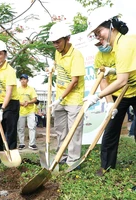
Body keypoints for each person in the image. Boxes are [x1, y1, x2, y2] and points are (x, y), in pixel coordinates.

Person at [84, 8, 136, 176]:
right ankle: (106, 168)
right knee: (111, 129)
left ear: (112, 26)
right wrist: (109, 103)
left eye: (100, 32)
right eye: (96, 35)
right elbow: (121, 74)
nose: (98, 37)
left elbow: (121, 80)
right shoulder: (116, 46)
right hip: (122, 92)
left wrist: (96, 97)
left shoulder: (125, 44)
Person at [47, 22, 85, 166]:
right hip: (60, 99)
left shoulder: (77, 56)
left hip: (74, 99)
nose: (55, 45)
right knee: (60, 129)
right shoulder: (57, 53)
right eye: (53, 42)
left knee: (74, 131)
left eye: (58, 41)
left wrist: (61, 97)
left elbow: (74, 80)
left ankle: (73, 160)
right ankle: (61, 156)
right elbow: (58, 67)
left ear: (67, 39)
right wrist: (52, 67)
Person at [0, 40, 20, 165]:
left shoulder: (10, 71)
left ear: (5, 55)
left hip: (11, 104)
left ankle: (12, 158)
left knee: (10, 132)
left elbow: (9, 92)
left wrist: (2, 110)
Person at [17, 74, 38, 150]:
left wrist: (28, 102)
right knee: (20, 128)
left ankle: (32, 144)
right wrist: (21, 103)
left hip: (30, 111)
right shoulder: (17, 89)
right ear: (20, 81)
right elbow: (15, 100)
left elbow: (35, 99)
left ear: (27, 80)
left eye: (24, 79)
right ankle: (21, 143)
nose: (23, 80)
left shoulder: (31, 89)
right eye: (21, 79)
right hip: (20, 111)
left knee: (32, 127)